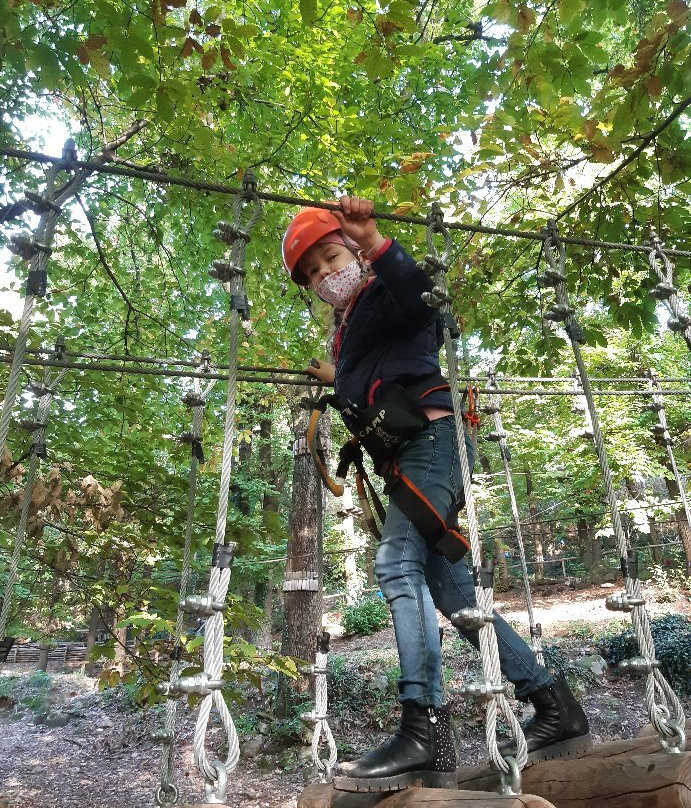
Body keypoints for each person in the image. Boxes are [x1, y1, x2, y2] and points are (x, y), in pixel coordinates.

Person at [282, 197, 590, 793]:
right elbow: (378, 369)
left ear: (352, 253)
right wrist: (336, 378)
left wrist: (375, 241)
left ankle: (424, 731)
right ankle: (554, 706)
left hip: (431, 440)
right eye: (313, 272)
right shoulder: (350, 330)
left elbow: (418, 301)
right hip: (411, 456)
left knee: (397, 564)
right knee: (451, 590)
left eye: (330, 257)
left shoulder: (384, 295)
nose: (324, 274)